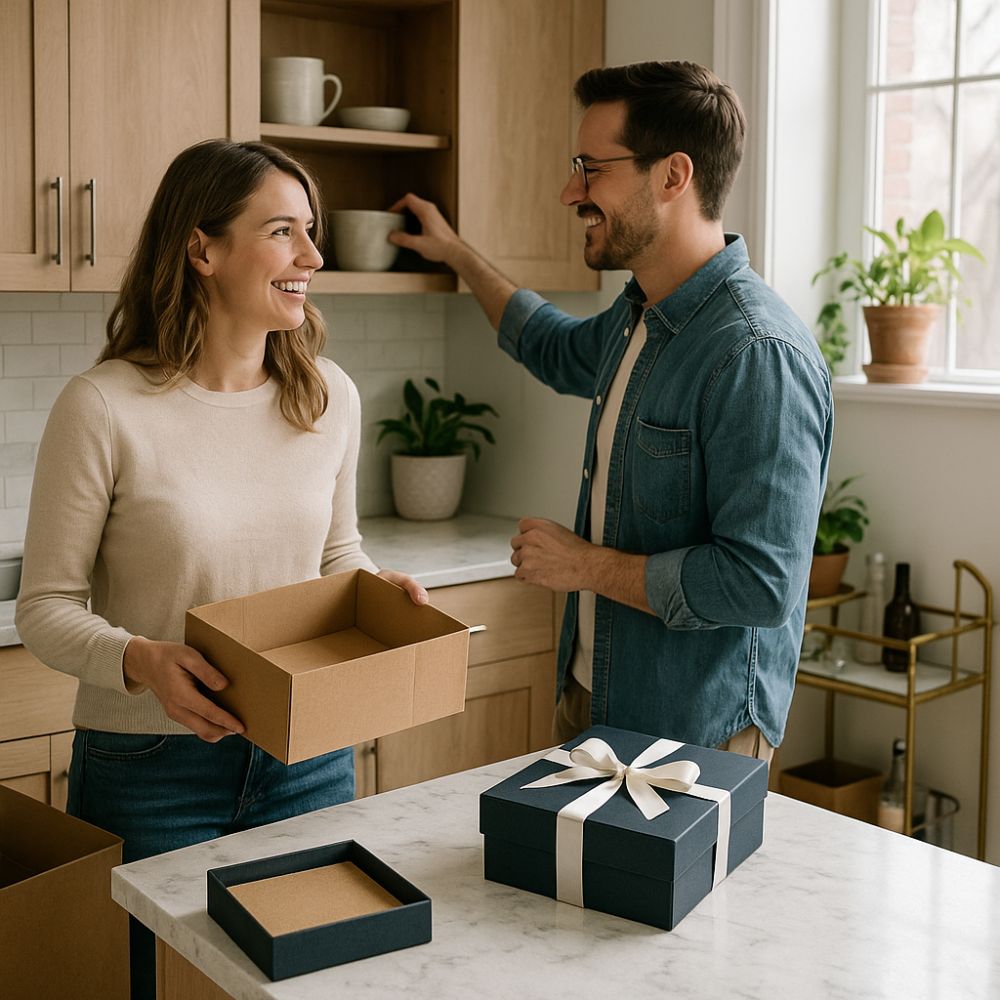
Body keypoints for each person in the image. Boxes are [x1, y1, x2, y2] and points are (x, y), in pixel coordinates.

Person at [15, 138, 427, 1000]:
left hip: (308, 756)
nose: (313, 257)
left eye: (310, 232)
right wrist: (142, 660)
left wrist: (378, 590)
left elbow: (335, 553)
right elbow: (45, 607)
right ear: (201, 250)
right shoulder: (104, 406)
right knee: (156, 986)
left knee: (312, 985)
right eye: (283, 232)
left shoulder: (328, 395)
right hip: (149, 772)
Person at [389, 61, 833, 764]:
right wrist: (454, 254)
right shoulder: (638, 318)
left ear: (672, 175)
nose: (571, 191)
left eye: (591, 168)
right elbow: (549, 344)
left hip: (694, 735)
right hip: (595, 702)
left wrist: (587, 567)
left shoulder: (756, 353)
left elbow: (760, 583)